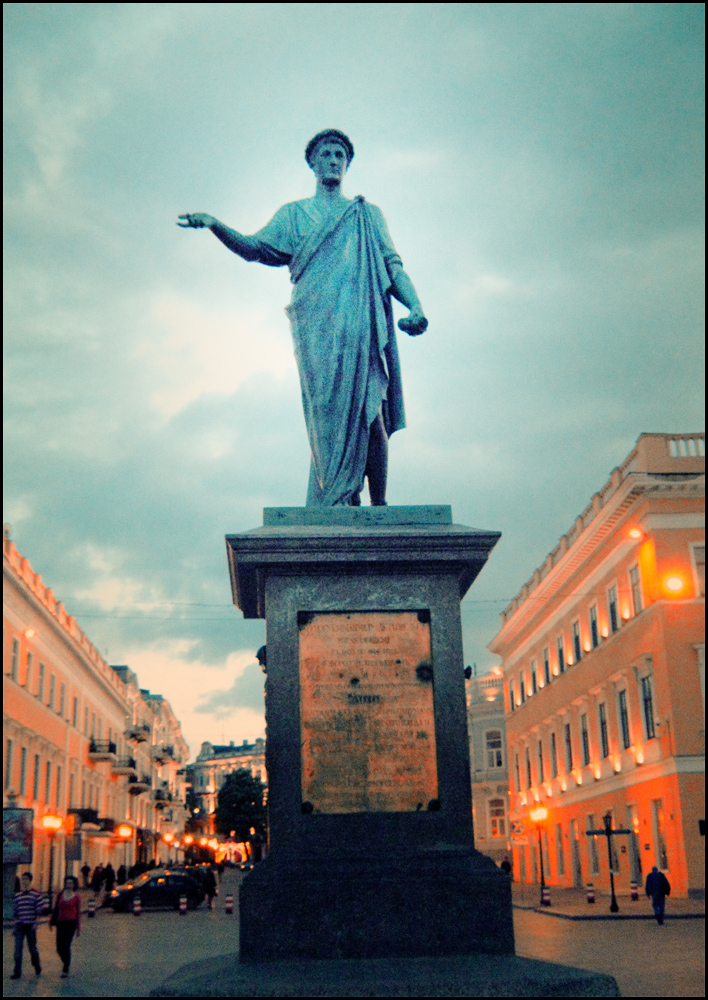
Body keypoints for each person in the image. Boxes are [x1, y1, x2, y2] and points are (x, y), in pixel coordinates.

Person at [179, 129, 427, 507]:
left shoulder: (366, 214)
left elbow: (392, 267)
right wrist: (215, 224)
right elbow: (255, 248)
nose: (333, 160)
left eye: (340, 155)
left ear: (347, 164)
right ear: (312, 163)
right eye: (326, 153)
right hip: (317, 329)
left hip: (360, 322)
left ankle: (379, 507)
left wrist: (416, 306)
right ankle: (336, 497)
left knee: (370, 410)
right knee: (326, 417)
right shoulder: (295, 215)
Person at [11, 871, 42, 979]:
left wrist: (36, 923)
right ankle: (17, 972)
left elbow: (38, 911)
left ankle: (37, 965)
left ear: (30, 880)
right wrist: (15, 926)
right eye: (22, 879)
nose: (24, 881)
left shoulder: (36, 895)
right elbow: (15, 912)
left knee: (32, 949)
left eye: (26, 879)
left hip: (30, 926)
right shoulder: (17, 896)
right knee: (17, 950)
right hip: (20, 926)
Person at [50, 876, 81, 977]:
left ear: (74, 884)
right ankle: (65, 961)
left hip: (71, 923)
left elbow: (78, 913)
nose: (69, 885)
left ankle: (65, 968)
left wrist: (78, 927)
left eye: (71, 883)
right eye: (67, 883)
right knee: (59, 947)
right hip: (60, 922)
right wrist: (51, 922)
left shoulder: (76, 897)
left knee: (66, 945)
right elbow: (55, 909)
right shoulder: (60, 895)